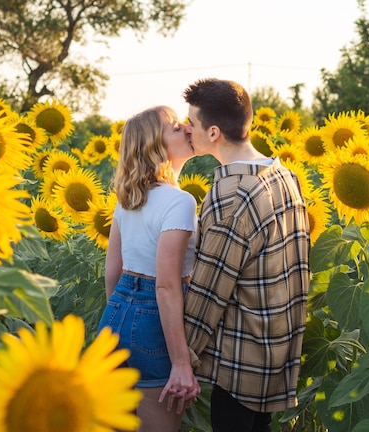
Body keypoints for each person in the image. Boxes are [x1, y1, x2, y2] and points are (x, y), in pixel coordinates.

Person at [182, 78, 310, 432]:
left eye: (191, 123)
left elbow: (208, 293)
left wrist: (179, 360)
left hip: (240, 362)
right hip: (276, 352)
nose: (185, 129)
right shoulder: (284, 176)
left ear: (212, 133)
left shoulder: (230, 195)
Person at [98, 106, 200, 431]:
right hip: (154, 322)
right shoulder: (179, 201)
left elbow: (112, 271)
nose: (186, 128)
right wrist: (181, 363)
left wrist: (121, 320)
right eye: (175, 127)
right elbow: (166, 285)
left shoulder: (127, 199)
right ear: (157, 148)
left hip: (114, 314)